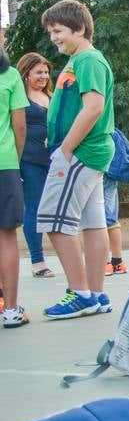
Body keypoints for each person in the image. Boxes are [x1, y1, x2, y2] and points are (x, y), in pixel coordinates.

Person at [35, 0, 115, 319]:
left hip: (81, 151)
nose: (54, 37)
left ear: (79, 29)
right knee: (93, 224)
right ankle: (95, 293)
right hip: (89, 151)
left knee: (54, 221)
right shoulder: (77, 61)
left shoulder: (87, 59)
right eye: (51, 32)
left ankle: (80, 293)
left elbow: (93, 107)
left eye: (58, 31)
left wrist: (66, 149)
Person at [0, 28, 29, 327]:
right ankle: (10, 310)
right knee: (6, 235)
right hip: (4, 162)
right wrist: (14, 159)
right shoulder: (9, 77)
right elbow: (19, 127)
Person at [15, 53, 53, 278]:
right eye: (39, 72)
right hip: (29, 160)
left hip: (54, 160)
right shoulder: (20, 97)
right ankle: (37, 260)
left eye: (47, 72)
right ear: (26, 73)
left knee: (56, 209)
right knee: (35, 207)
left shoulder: (51, 95)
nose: (44, 76)